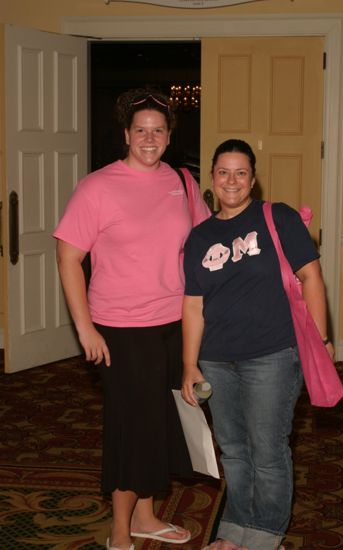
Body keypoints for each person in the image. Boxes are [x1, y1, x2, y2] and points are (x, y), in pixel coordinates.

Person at [53, 87, 210, 550]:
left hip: (174, 322)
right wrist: (84, 327)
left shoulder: (182, 182)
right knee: (130, 427)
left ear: (168, 136)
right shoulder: (97, 187)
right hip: (119, 329)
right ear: (126, 134)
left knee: (160, 423)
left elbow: (206, 243)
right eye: (140, 129)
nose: (149, 137)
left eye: (157, 130)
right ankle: (120, 530)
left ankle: (144, 515)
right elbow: (67, 258)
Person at [181, 139, 334, 550]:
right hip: (215, 360)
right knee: (232, 449)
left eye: (241, 172)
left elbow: (312, 278)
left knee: (267, 450)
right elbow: (193, 306)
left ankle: (265, 534)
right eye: (223, 172)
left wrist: (319, 341)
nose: (232, 180)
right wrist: (189, 363)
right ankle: (235, 528)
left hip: (273, 355)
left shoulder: (277, 218)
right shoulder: (199, 238)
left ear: (253, 178)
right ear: (211, 177)